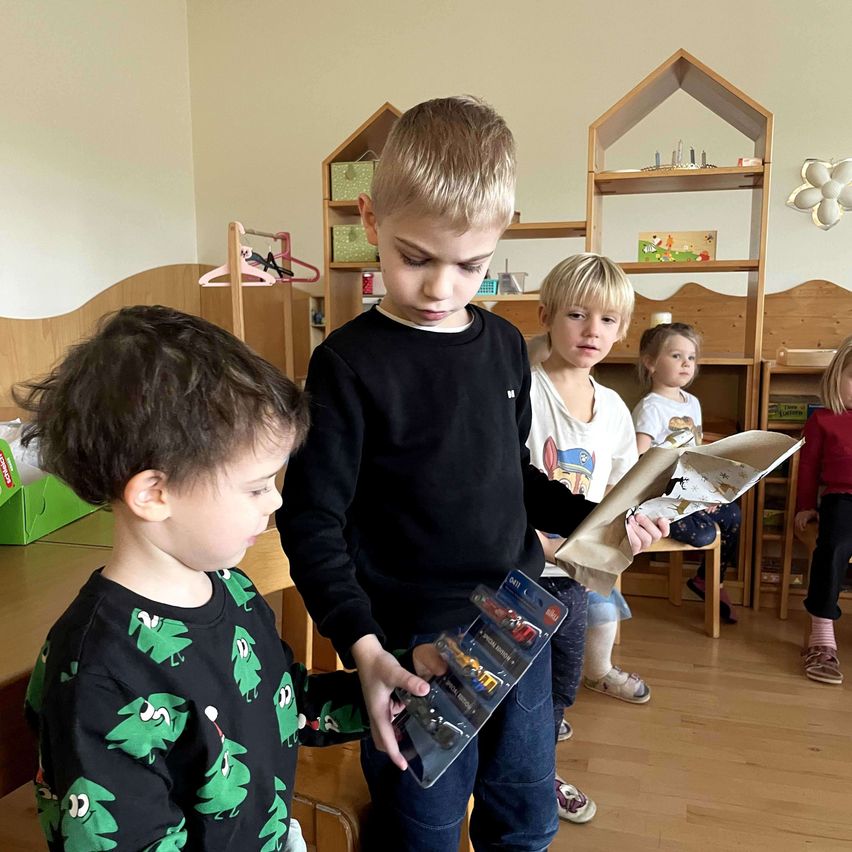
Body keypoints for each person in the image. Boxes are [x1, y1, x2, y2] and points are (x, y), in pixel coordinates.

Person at [278, 96, 666, 851]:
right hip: (408, 644)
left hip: (514, 618)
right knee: (419, 827)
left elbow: (509, 474)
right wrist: (362, 646)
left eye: (472, 266)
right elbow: (312, 520)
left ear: (499, 241)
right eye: (414, 257)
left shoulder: (499, 347)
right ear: (369, 220)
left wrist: (601, 517)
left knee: (524, 817)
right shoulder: (348, 365)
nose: (441, 287)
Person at [17, 306, 437, 852]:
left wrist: (387, 680)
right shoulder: (100, 675)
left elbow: (285, 704)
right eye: (257, 486)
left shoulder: (230, 589)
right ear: (154, 494)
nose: (279, 500)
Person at [527, 253, 651, 824]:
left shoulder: (617, 409)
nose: (591, 331)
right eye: (577, 315)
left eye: (607, 320)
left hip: (577, 573)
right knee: (507, 685)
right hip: (518, 563)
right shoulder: (521, 390)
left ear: (623, 329)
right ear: (548, 314)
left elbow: (625, 489)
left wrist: (646, 519)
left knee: (560, 682)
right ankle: (523, 772)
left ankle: (540, 765)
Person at [632, 321, 741, 623]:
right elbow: (638, 458)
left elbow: (696, 453)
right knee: (705, 533)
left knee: (732, 515)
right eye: (676, 356)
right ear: (650, 362)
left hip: (687, 489)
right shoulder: (651, 408)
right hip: (658, 496)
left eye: (691, 358)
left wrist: (705, 493)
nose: (686, 364)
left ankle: (710, 581)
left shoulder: (692, 402)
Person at [795, 335, 852, 685]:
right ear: (837, 377)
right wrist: (805, 506)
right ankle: (822, 637)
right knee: (833, 547)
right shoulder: (824, 420)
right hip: (842, 499)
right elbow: (808, 467)